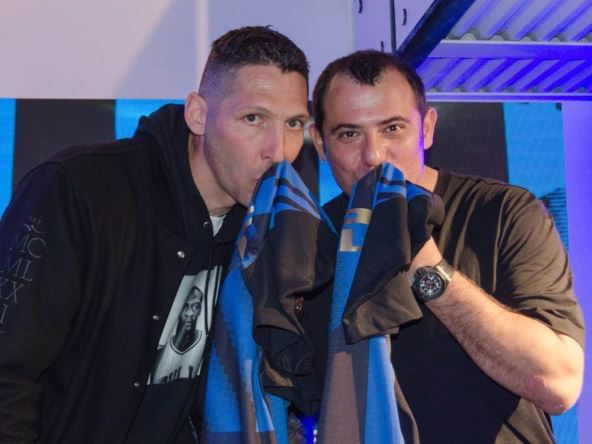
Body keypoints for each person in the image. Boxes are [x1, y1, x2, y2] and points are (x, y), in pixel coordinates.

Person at [0, 25, 309, 443]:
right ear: (198, 114)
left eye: (294, 123)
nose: (278, 150)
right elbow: (8, 374)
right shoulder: (81, 189)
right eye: (253, 118)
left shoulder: (271, 228)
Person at [308, 50, 585, 443]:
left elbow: (559, 385)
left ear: (426, 128)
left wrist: (427, 268)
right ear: (321, 144)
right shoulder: (313, 238)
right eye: (349, 134)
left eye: (393, 129)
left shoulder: (505, 212)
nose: (373, 156)